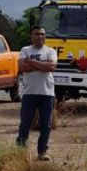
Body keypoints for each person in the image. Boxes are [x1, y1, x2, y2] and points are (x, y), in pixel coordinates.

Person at [16, 26, 57, 161]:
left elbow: (51, 67)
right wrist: (42, 65)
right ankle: (20, 152)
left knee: (46, 125)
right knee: (25, 123)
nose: (39, 36)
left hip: (47, 93)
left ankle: (42, 152)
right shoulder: (25, 50)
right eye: (36, 34)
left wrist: (30, 61)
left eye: (42, 34)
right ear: (31, 36)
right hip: (29, 93)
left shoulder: (50, 51)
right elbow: (22, 67)